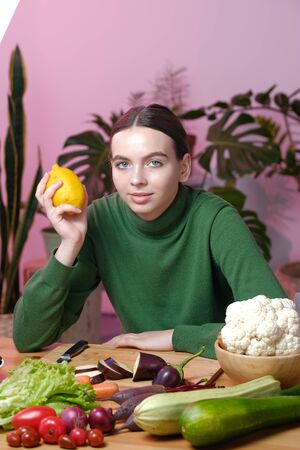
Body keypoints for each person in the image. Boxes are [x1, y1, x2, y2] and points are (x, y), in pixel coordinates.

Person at [13, 104, 286, 359]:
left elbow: (279, 330)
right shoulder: (100, 220)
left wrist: (174, 337)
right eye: (123, 164)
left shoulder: (215, 219)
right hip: (142, 378)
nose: (136, 180)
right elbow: (28, 338)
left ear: (183, 167)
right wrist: (69, 245)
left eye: (154, 162)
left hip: (218, 377)